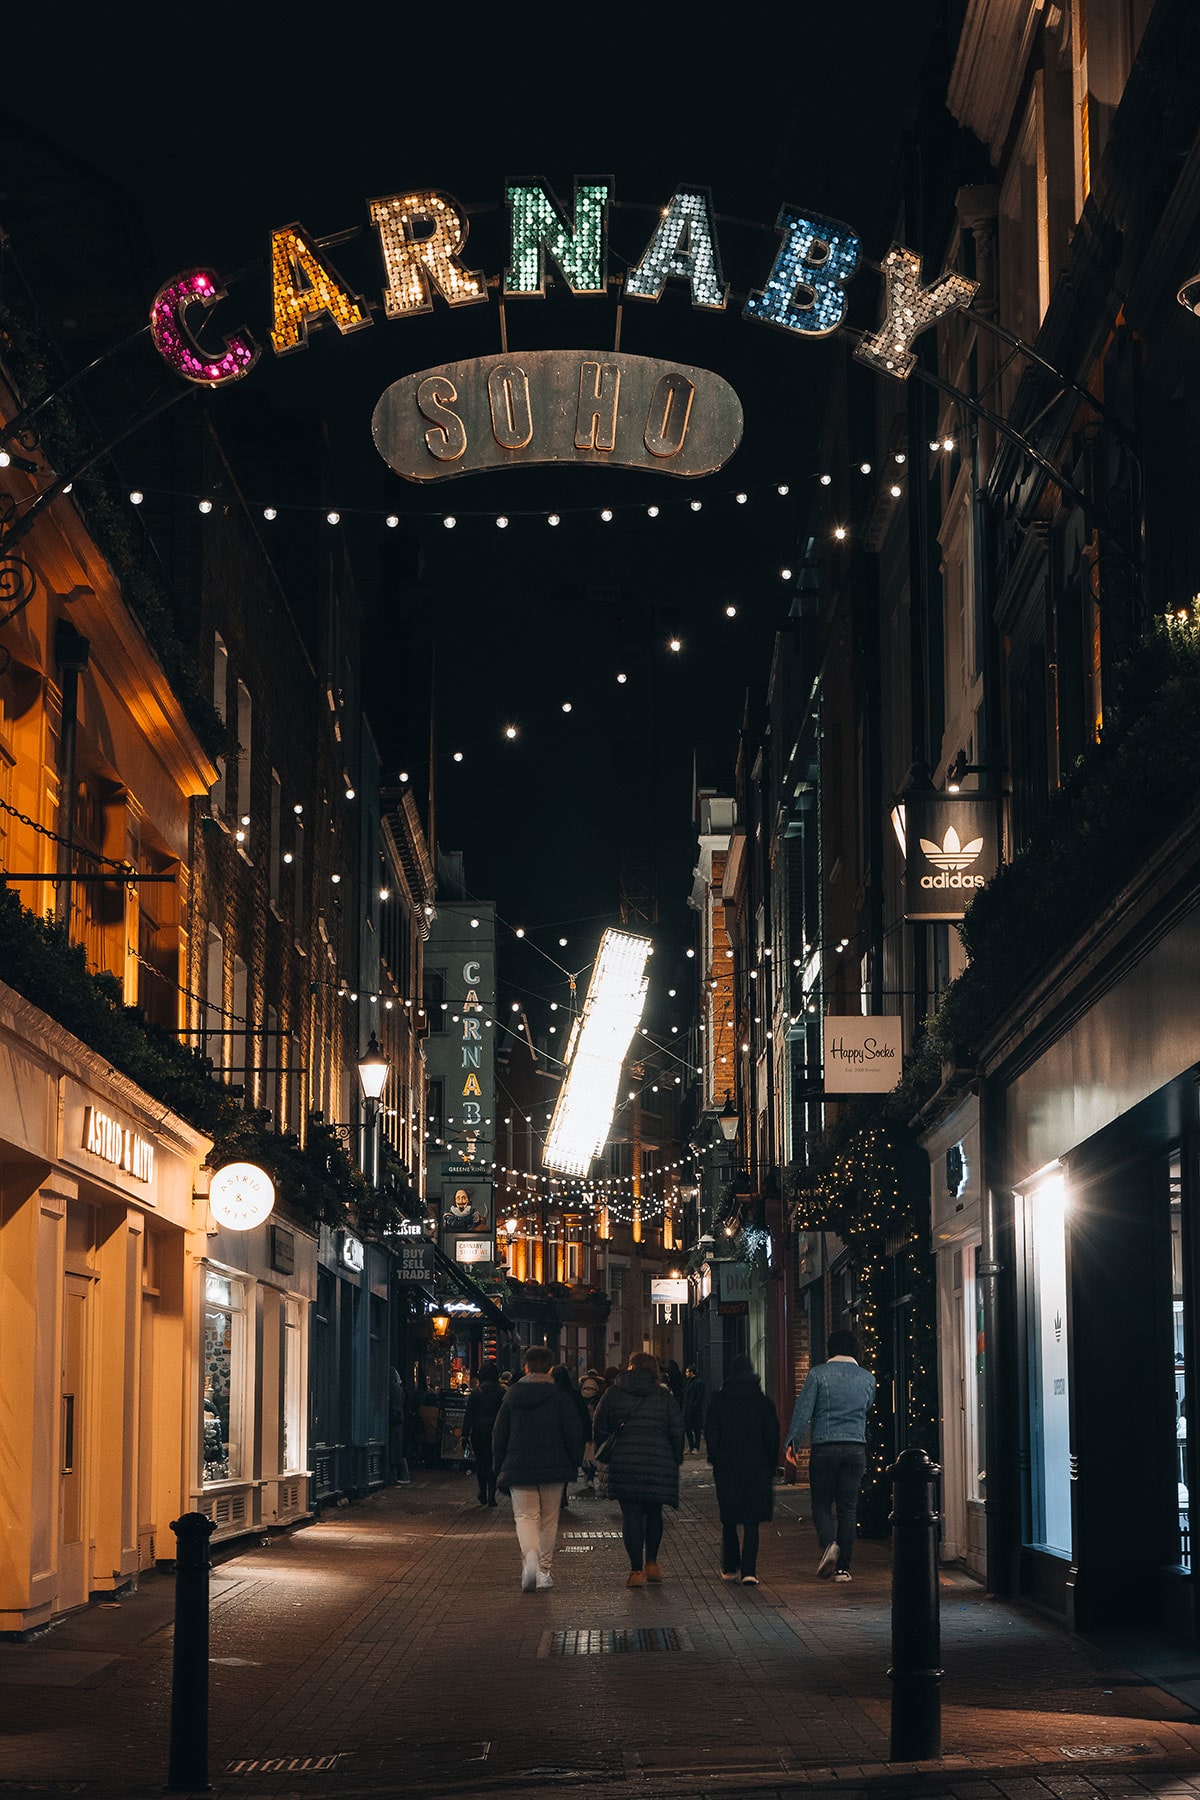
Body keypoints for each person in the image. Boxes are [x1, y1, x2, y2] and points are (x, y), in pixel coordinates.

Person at [786, 1329, 877, 1583]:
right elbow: (867, 1406)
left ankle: (830, 1546)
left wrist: (793, 1442)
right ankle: (843, 1569)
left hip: (825, 1448)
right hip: (855, 1448)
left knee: (822, 1503)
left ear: (830, 1349)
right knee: (848, 1509)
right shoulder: (867, 1378)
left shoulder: (817, 1374)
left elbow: (804, 1410)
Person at [493, 1344, 584, 1591]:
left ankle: (529, 1560)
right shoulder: (560, 1398)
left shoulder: (511, 1396)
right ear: (551, 1369)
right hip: (554, 1469)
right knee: (548, 1519)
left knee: (525, 1517)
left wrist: (498, 1465)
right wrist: (574, 1462)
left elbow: (499, 1434)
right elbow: (574, 1433)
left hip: (519, 1467)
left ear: (526, 1367)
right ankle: (543, 1570)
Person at [592, 1351, 684, 1587]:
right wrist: (674, 1458)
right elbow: (676, 1430)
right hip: (658, 1461)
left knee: (631, 1515)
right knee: (654, 1512)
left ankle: (635, 1571)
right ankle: (652, 1564)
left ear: (630, 1368)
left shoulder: (613, 1394)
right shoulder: (663, 1396)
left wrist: (608, 1448)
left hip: (624, 1461)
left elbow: (599, 1425)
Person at [704, 1355, 779, 1584]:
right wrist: (770, 1464)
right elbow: (772, 1437)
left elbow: (711, 1433)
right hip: (756, 1467)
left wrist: (715, 1457)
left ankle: (729, 1567)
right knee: (751, 1520)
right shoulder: (764, 1403)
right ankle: (749, 1571)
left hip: (727, 1466)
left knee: (728, 1517)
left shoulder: (718, 1401)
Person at [462, 1360, 503, 1505]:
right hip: (496, 1432)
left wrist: (464, 1435)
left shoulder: (476, 1393)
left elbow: (469, 1416)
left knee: (481, 1463)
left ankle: (482, 1492)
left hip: (479, 1432)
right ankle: (492, 1494)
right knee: (493, 1463)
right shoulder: (502, 1392)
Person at [552, 1365, 592, 1509]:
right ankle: (562, 1491)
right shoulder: (574, 1394)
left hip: (554, 1437)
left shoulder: (551, 1394)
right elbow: (584, 1416)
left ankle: (558, 1493)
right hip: (572, 1437)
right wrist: (588, 1435)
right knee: (567, 1463)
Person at [388, 1368, 412, 1485]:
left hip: (395, 1422)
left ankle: (398, 1476)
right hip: (399, 1422)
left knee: (395, 1450)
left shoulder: (393, 1389)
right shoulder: (399, 1389)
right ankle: (402, 1475)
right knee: (398, 1450)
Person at [681, 1366, 707, 1453]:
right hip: (688, 1408)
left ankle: (696, 1447)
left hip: (694, 1409)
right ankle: (691, 1446)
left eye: (687, 1372)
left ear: (692, 1372)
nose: (686, 1373)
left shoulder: (698, 1383)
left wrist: (694, 1405)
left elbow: (699, 1397)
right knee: (688, 1428)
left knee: (696, 1429)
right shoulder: (688, 1382)